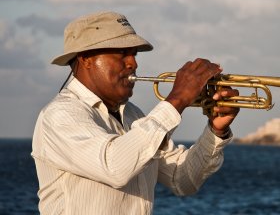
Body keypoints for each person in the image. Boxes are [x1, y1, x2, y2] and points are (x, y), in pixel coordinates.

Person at [31, 11, 240, 214]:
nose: (133, 63)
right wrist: (177, 99)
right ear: (86, 58)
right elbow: (114, 167)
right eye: (122, 53)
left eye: (134, 54)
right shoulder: (60, 115)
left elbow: (182, 180)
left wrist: (215, 130)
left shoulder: (134, 116)